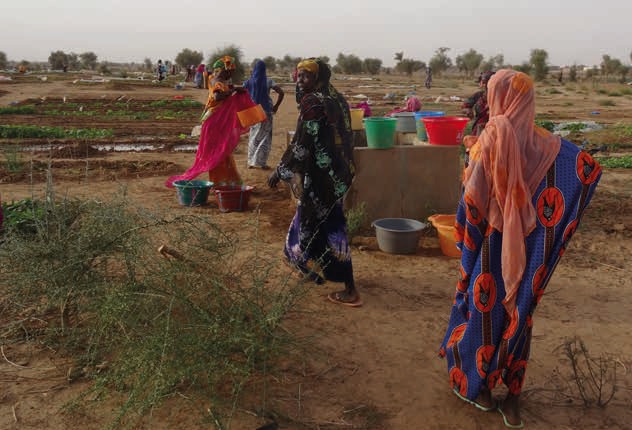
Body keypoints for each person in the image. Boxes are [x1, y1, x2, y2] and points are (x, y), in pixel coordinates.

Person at [439, 70, 601, 428]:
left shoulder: (488, 141)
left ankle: (478, 384)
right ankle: (512, 395)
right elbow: (584, 170)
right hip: (531, 250)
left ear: (497, 98)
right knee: (520, 312)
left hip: (490, 248)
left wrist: (466, 242)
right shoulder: (550, 147)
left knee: (483, 312)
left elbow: (472, 205)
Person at [267, 58, 360, 307]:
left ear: (318, 78)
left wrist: (280, 170)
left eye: (306, 76)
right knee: (310, 219)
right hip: (337, 174)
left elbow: (302, 143)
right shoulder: (336, 98)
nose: (300, 81)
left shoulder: (313, 102)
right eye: (298, 76)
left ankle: (350, 287)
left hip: (323, 178)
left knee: (330, 226)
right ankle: (302, 263)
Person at [166, 56, 258, 187]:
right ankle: (220, 183)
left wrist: (233, 88)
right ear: (222, 70)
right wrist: (234, 91)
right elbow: (218, 96)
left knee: (222, 152)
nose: (230, 74)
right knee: (218, 153)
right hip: (214, 122)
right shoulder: (217, 82)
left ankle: (229, 182)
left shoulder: (216, 80)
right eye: (229, 72)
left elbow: (222, 91)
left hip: (215, 121)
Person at [243, 60, 285, 169]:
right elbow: (281, 92)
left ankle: (251, 162)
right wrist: (276, 106)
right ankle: (261, 163)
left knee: (253, 135)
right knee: (265, 137)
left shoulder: (248, 82)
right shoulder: (269, 81)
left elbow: (241, 92)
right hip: (266, 111)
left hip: (253, 111)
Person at [462, 71, 495, 136]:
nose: (481, 84)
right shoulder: (479, 95)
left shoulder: (502, 98)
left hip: (494, 129)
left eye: (482, 82)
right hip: (478, 129)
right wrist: (468, 110)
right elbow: (465, 105)